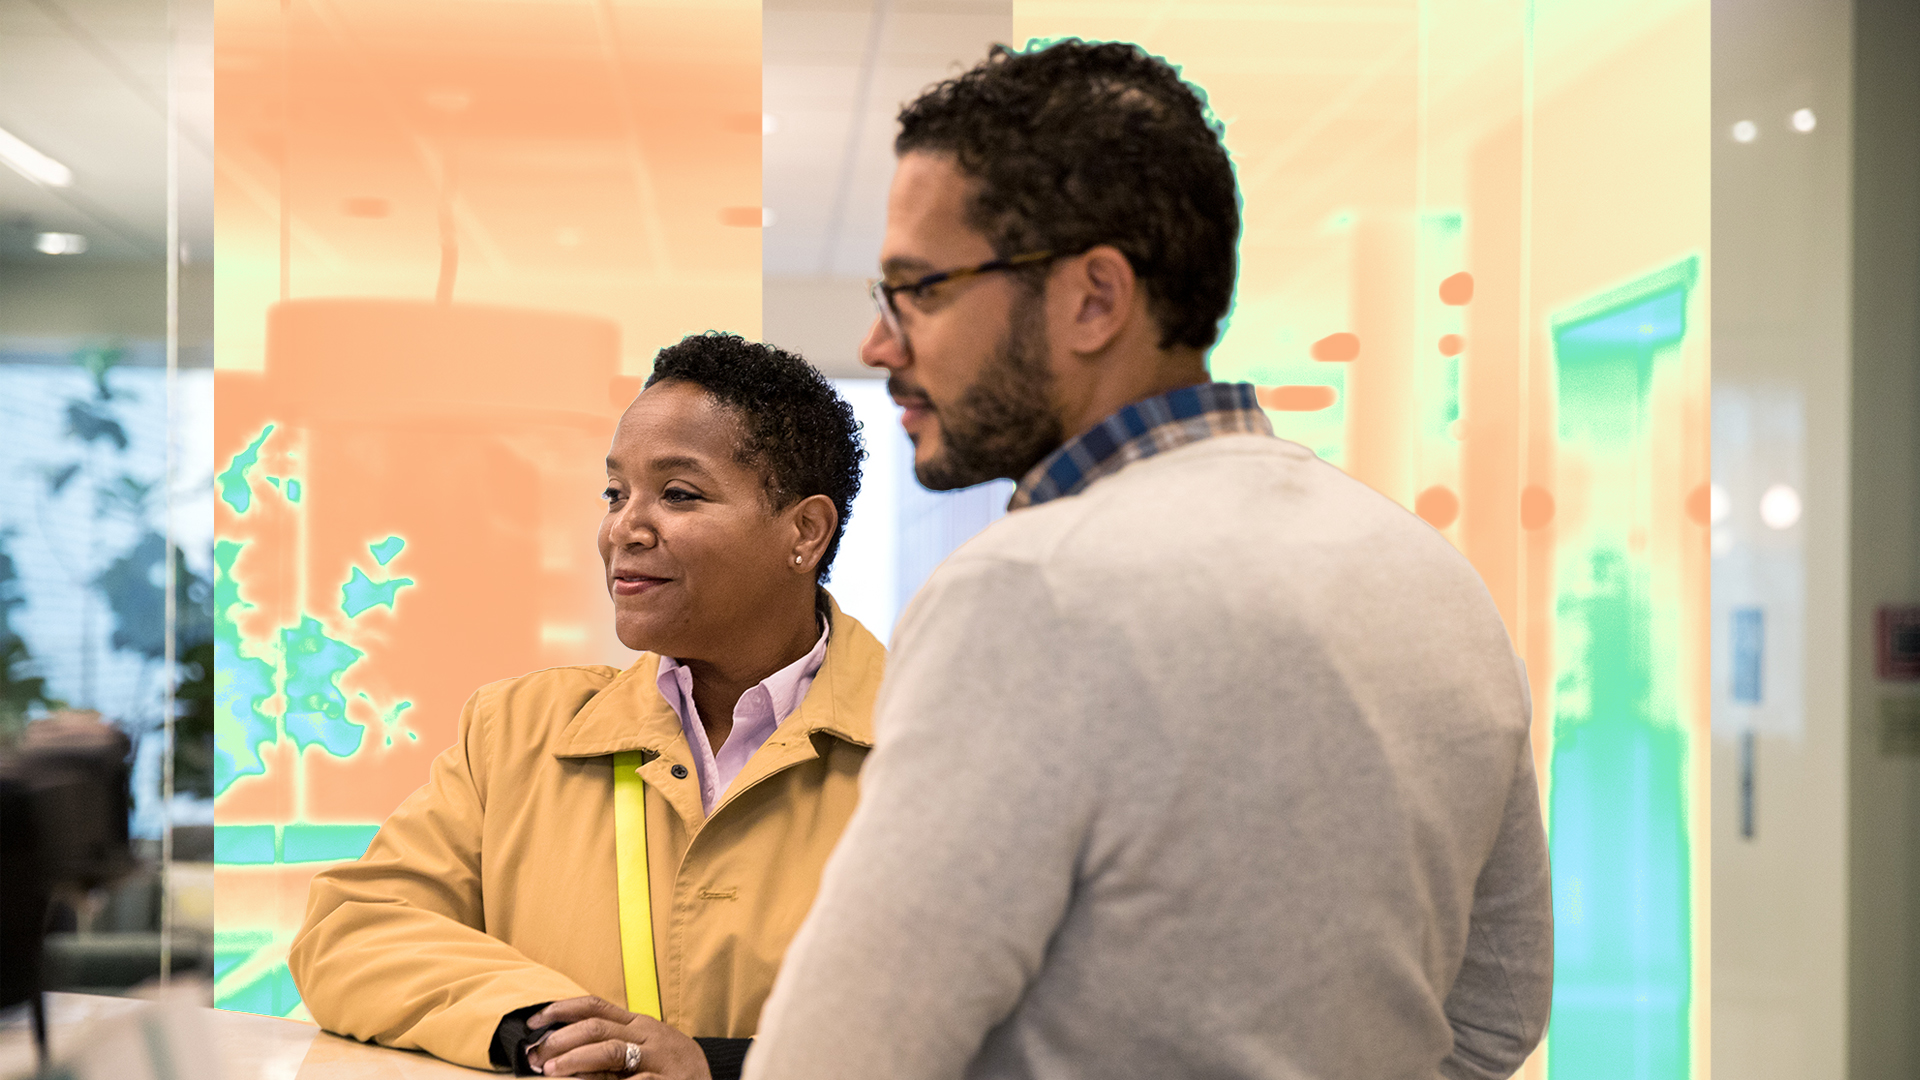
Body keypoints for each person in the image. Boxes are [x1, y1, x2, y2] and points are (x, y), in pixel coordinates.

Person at [745, 40, 1554, 1080]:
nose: (878, 342)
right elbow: (1494, 1020)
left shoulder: (1029, 590)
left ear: (1094, 299)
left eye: (922, 290)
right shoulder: (1430, 578)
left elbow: (836, 1060)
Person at [289, 333, 883, 1080]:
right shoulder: (517, 732)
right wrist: (548, 1031)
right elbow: (354, 933)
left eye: (678, 494)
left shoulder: (930, 752)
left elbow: (1002, 1033)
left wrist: (718, 1067)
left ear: (805, 531)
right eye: (615, 493)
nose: (622, 530)